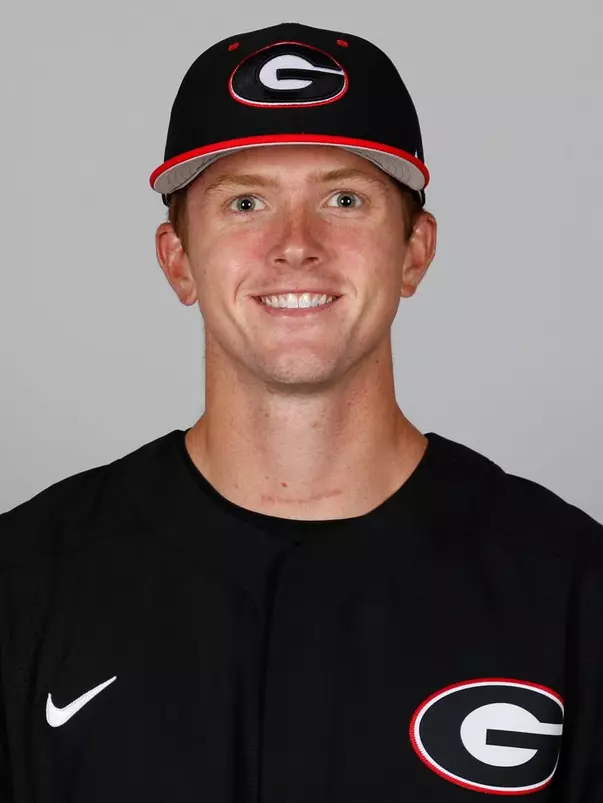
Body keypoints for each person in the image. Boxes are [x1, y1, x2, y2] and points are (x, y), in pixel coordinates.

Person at [0, 21, 601, 803]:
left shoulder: (571, 592)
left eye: (343, 198)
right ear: (177, 259)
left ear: (414, 251)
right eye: (245, 202)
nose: (294, 245)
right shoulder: (25, 583)